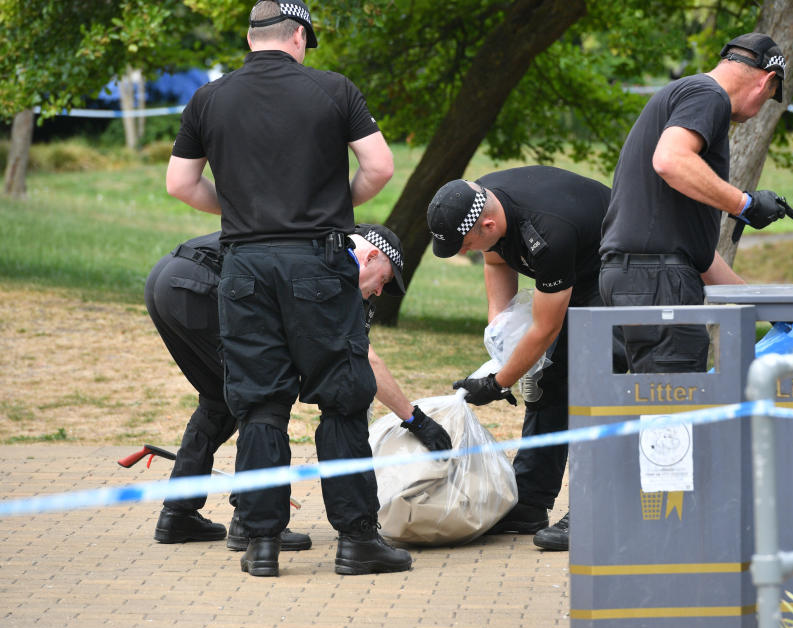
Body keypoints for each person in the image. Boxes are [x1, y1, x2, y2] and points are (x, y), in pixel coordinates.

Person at [164, 0, 413, 577]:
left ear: (253, 39)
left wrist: (242, 210)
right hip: (317, 264)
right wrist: (327, 207)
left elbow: (180, 182)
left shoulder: (210, 97)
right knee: (343, 398)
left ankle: (262, 542)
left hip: (243, 266)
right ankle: (356, 541)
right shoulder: (333, 90)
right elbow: (379, 167)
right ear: (298, 36)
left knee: (259, 403)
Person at [147, 225, 451, 552]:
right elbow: (365, 360)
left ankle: (178, 513)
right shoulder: (330, 264)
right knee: (263, 396)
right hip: (201, 286)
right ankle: (249, 522)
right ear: (371, 256)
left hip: (167, 281)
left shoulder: (318, 246)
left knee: (218, 402)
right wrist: (415, 419)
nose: (378, 291)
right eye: (384, 280)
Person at [426, 165, 618, 552]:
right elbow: (497, 261)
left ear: (489, 224)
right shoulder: (488, 207)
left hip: (613, 272)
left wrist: (498, 383)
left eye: (464, 243)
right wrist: (500, 335)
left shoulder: (546, 234)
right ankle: (528, 503)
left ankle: (595, 508)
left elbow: (547, 328)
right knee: (546, 384)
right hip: (571, 270)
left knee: (594, 392)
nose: (464, 252)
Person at [599, 32, 791, 373]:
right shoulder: (708, 95)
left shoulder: (685, 93)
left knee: (657, 404)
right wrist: (744, 204)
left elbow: (695, 253)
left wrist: (762, 305)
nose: (760, 109)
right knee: (673, 411)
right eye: (770, 98)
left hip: (636, 276)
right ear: (768, 81)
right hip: (657, 281)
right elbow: (670, 160)